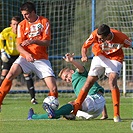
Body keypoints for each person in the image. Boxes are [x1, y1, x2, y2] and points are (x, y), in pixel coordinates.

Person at [0, 2, 58, 111]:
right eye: (23, 14)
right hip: (25, 58)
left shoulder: (44, 22)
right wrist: (26, 54)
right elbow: (19, 45)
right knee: (11, 73)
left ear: (33, 12)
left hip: (41, 59)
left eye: (27, 14)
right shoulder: (21, 25)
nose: (25, 17)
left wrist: (35, 41)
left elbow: (47, 42)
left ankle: (52, 110)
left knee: (53, 87)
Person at [71, 24, 132, 122]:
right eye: (98, 38)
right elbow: (84, 47)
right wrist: (84, 56)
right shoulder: (95, 34)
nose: (100, 40)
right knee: (88, 82)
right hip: (100, 56)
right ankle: (74, 112)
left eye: (102, 39)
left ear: (108, 36)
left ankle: (116, 115)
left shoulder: (121, 37)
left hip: (115, 58)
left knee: (112, 81)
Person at [27, 53, 108, 120]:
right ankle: (38, 116)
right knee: (66, 112)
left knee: (72, 103)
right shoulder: (76, 87)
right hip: (94, 110)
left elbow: (81, 68)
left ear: (72, 71)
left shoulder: (78, 74)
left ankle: (41, 116)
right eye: (65, 79)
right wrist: (104, 115)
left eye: (66, 76)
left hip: (96, 100)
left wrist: (72, 61)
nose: (67, 79)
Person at [0, 16, 37, 104]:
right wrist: (2, 51)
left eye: (17, 24)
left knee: (27, 74)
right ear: (11, 25)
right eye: (14, 24)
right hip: (9, 56)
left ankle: (33, 98)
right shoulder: (6, 31)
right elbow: (0, 40)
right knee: (4, 74)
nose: (15, 26)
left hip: (20, 56)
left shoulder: (23, 32)